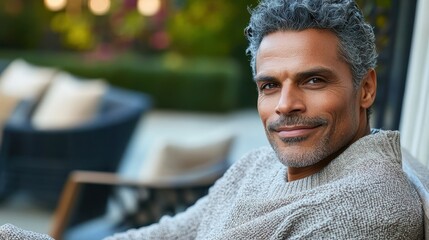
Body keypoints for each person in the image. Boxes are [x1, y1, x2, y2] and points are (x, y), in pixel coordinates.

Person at [105, 0, 424, 239]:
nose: (285, 105)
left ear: (366, 88)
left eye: (313, 80)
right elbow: (175, 232)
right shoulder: (257, 165)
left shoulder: (363, 212)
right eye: (270, 85)